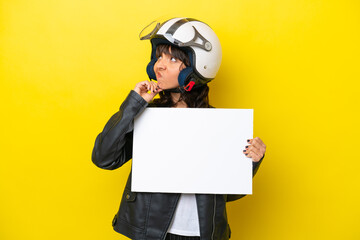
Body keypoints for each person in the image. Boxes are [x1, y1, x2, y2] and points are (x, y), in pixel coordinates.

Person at [92, 17, 266, 240]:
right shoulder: (146, 115)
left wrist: (251, 162)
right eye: (158, 57)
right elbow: (104, 158)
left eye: (172, 58)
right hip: (153, 233)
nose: (159, 65)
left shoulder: (220, 127)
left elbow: (228, 194)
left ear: (197, 67)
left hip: (202, 234)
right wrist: (134, 103)